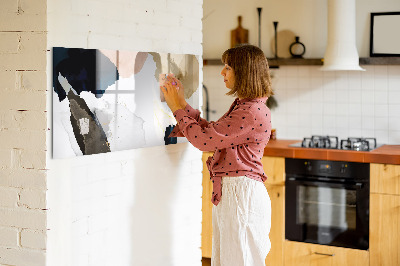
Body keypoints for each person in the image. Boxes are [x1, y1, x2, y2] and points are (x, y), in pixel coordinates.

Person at [161, 44, 273, 266]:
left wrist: (176, 108)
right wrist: (182, 103)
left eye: (228, 67)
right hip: (236, 193)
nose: (222, 72)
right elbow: (211, 133)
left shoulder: (250, 111)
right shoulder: (246, 106)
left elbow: (204, 141)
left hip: (241, 195)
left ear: (244, 72)